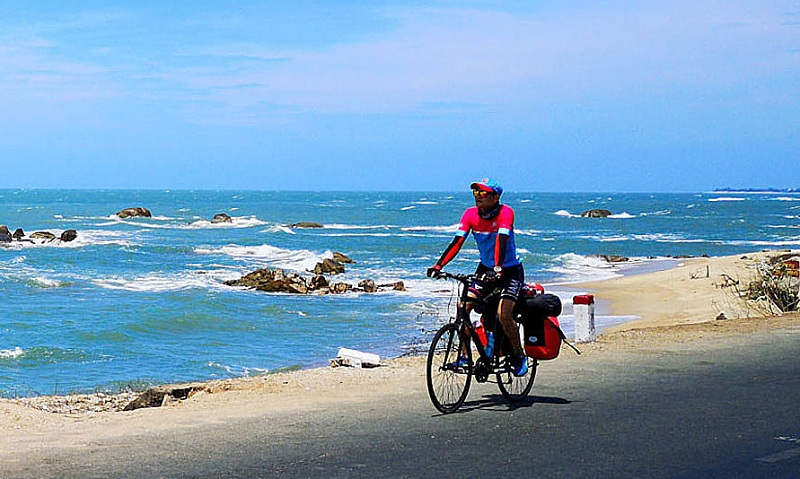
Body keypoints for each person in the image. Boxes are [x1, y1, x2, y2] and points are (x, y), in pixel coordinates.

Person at [426, 178, 528, 376]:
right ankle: (464, 356)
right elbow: (457, 242)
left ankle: (518, 354)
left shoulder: (506, 212)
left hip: (510, 271)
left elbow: (502, 239)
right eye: (475, 193)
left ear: (496, 197)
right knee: (462, 307)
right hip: (486, 268)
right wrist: (439, 265)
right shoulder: (470, 214)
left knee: (503, 314)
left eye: (482, 193)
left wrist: (498, 267)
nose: (478, 198)